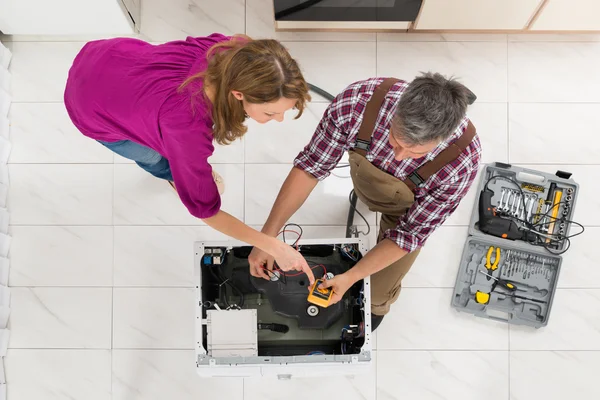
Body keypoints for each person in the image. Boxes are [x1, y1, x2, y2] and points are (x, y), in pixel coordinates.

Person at [64, 33, 315, 284]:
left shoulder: (239, 52)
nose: (279, 119)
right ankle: (173, 175)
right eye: (271, 113)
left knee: (176, 151)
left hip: (110, 55)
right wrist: (272, 246)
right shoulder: (187, 124)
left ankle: (182, 172)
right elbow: (206, 212)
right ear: (238, 94)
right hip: (90, 105)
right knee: (153, 157)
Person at [248, 73, 483, 330]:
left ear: (442, 139)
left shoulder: (462, 161)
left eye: (415, 153)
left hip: (406, 212)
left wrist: (351, 277)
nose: (399, 158)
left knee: (377, 294)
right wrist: (267, 239)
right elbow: (310, 167)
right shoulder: (358, 102)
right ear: (395, 113)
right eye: (394, 141)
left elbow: (409, 235)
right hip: (365, 182)